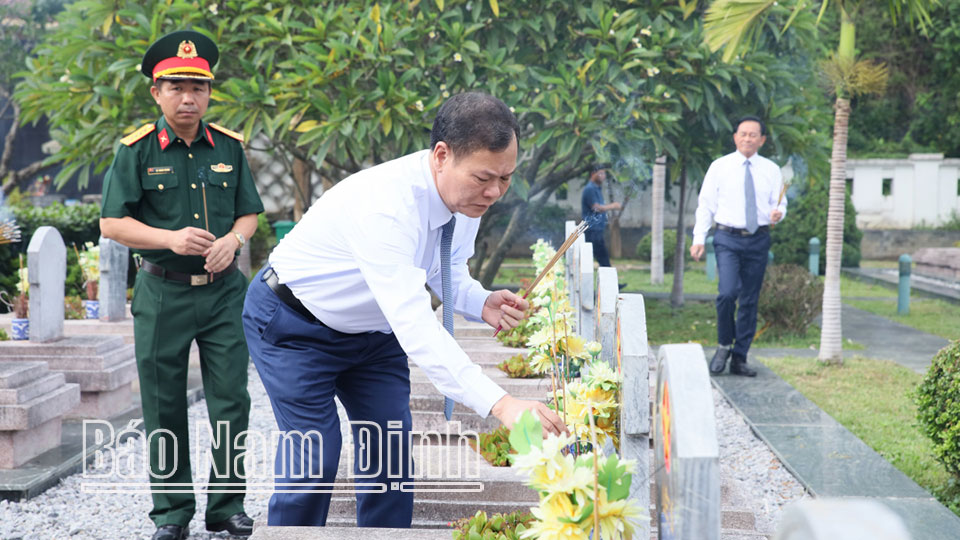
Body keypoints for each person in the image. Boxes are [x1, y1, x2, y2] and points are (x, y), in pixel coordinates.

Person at [241, 91, 566, 528]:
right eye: (485, 178)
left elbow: (446, 266)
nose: (494, 192)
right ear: (441, 155)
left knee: (390, 457)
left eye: (506, 178)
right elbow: (417, 328)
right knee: (315, 457)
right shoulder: (386, 208)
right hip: (295, 325)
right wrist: (502, 404)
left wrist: (477, 300)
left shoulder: (465, 197)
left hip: (373, 335)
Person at [99, 30, 263, 540]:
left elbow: (249, 213)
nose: (188, 97)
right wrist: (169, 238)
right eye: (176, 87)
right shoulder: (135, 151)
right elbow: (111, 223)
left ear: (209, 92)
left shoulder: (229, 148)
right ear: (156, 92)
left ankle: (226, 507)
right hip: (162, 290)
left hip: (222, 293)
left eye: (198, 87)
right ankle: (171, 514)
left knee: (232, 401)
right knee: (164, 402)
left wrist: (233, 241)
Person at [690, 116, 786, 377]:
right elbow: (706, 205)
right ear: (735, 137)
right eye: (743, 134)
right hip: (727, 238)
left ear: (762, 140)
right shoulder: (719, 167)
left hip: (758, 239)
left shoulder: (771, 170)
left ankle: (740, 357)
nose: (747, 138)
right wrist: (699, 238)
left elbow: (779, 203)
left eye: (753, 134)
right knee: (727, 293)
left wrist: (779, 213)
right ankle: (723, 345)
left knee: (749, 301)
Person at [580, 164, 621, 267]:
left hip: (596, 228)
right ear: (593, 174)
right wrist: (613, 206)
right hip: (592, 229)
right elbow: (596, 208)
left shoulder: (596, 188)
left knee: (601, 256)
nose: (603, 176)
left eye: (604, 174)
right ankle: (611, 281)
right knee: (601, 256)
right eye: (601, 173)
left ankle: (611, 281)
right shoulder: (590, 189)